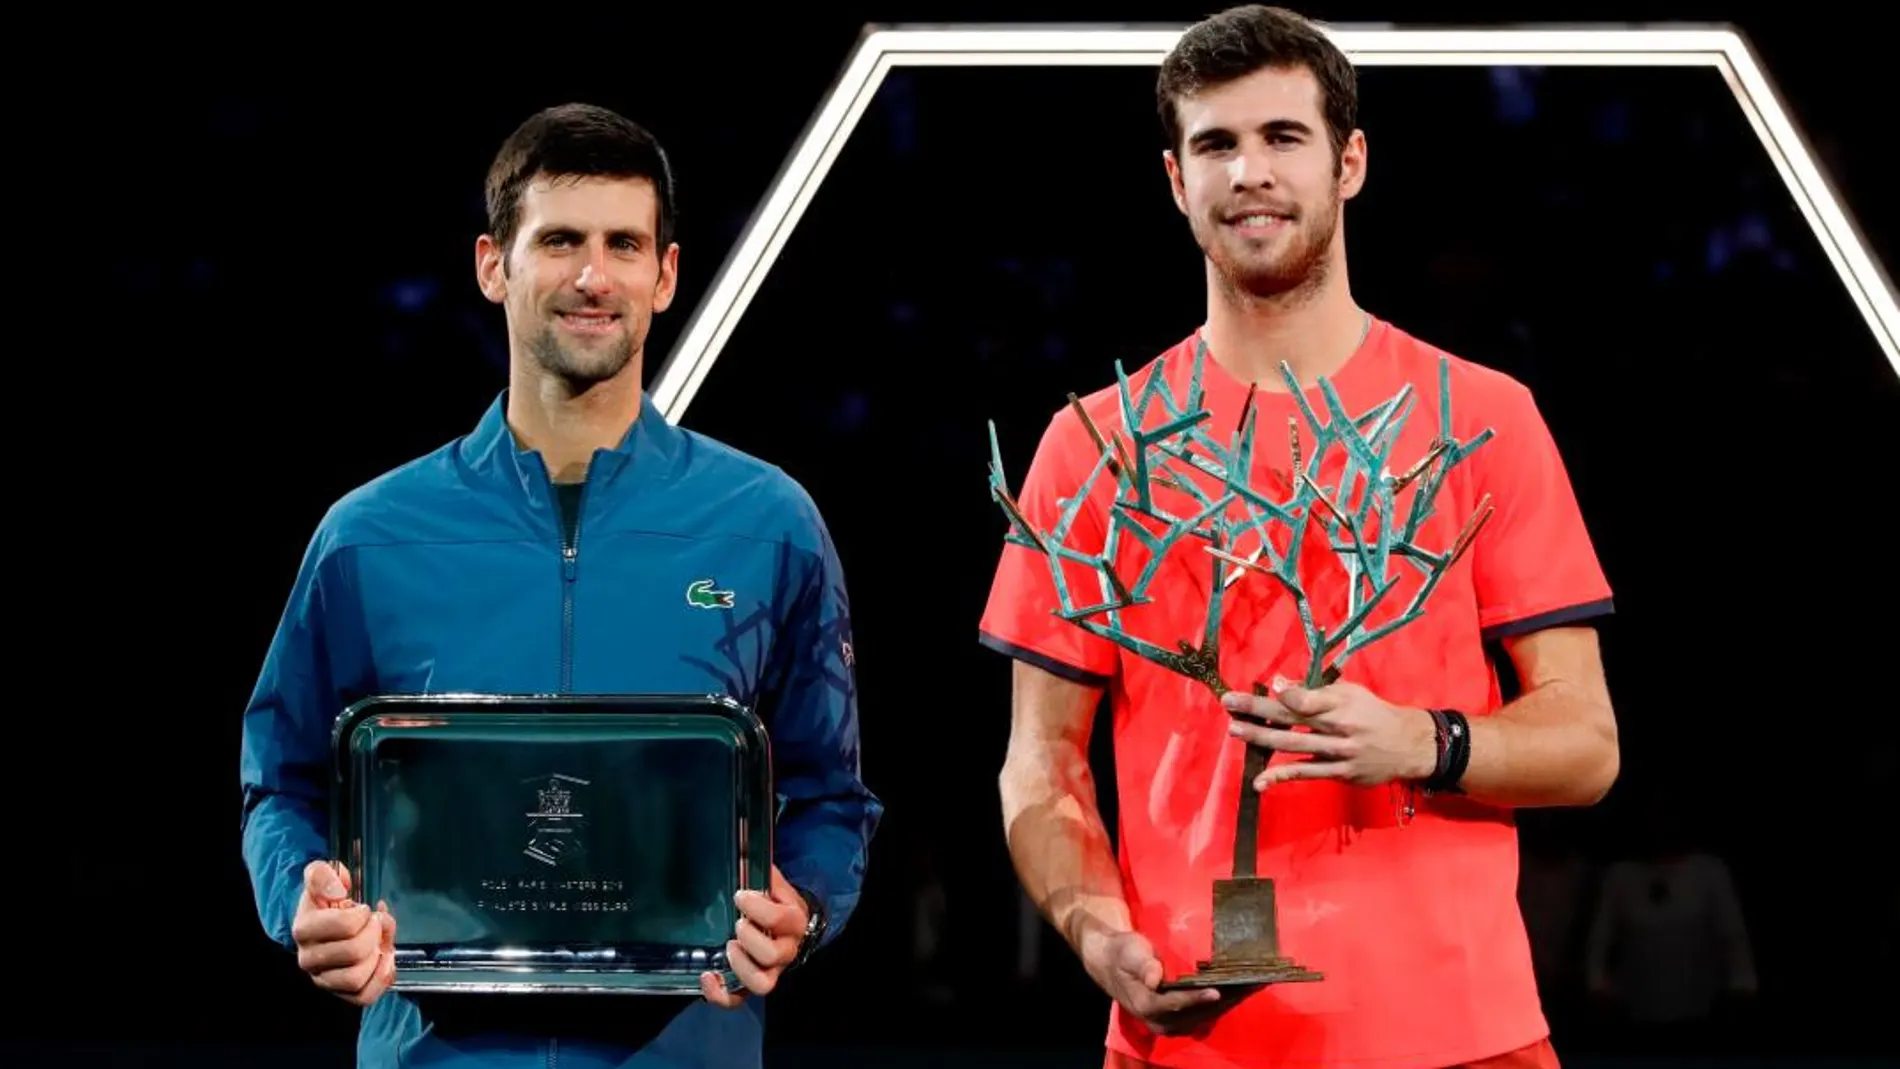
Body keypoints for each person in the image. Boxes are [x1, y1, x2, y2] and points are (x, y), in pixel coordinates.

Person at [981, 7, 1618, 1069]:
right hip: (1189, 1035)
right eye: (1216, 145)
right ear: (1176, 179)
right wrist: (1097, 935)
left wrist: (1426, 740)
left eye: (1283, 137)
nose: (1249, 173)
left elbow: (1587, 745)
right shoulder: (1091, 444)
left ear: (1349, 161)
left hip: (1460, 1033)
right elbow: (1040, 763)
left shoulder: (1484, 418)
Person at [239, 102, 882, 1069]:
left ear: (666, 275)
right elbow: (279, 781)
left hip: (689, 1049)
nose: (593, 275)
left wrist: (808, 905)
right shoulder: (367, 535)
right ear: (494, 264)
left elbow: (832, 797)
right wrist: (301, 896)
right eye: (561, 241)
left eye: (625, 243)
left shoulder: (769, 523)